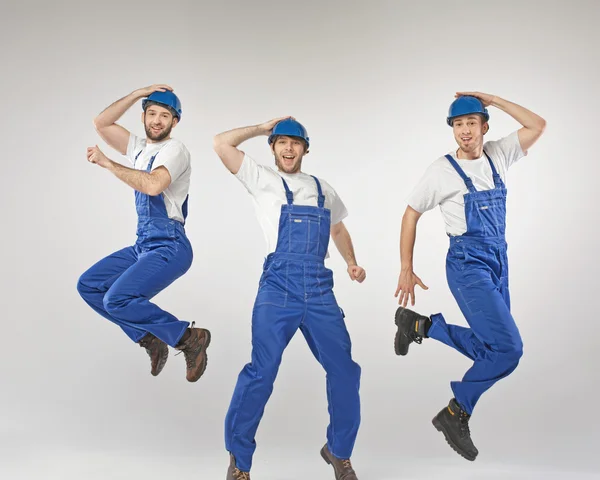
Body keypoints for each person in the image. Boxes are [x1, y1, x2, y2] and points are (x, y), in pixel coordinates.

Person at [393, 92, 546, 461]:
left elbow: (537, 125)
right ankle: (455, 411)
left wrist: (493, 99)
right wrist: (406, 268)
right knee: (510, 349)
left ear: (484, 126)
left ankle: (421, 327)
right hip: (467, 264)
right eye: (458, 124)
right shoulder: (441, 170)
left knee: (491, 349)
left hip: (497, 260)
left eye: (471, 123)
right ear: (453, 130)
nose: (464, 131)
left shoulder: (499, 153)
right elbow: (411, 213)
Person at [214, 117, 366, 480]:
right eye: (281, 142)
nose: (287, 148)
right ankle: (239, 461)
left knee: (345, 370)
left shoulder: (321, 188)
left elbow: (338, 227)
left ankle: (338, 452)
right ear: (272, 146)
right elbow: (221, 144)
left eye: (295, 143)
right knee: (261, 372)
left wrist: (352, 262)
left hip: (318, 289)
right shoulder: (261, 178)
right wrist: (261, 127)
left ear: (305, 148)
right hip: (278, 287)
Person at [77, 84, 211, 382]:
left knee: (117, 300)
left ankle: (188, 337)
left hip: (170, 245)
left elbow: (152, 185)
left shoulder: (174, 150)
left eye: (165, 115)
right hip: (144, 244)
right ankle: (149, 336)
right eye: (151, 113)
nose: (157, 120)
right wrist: (140, 92)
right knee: (89, 285)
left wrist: (108, 163)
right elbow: (101, 123)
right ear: (143, 116)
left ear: (174, 122)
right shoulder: (139, 147)